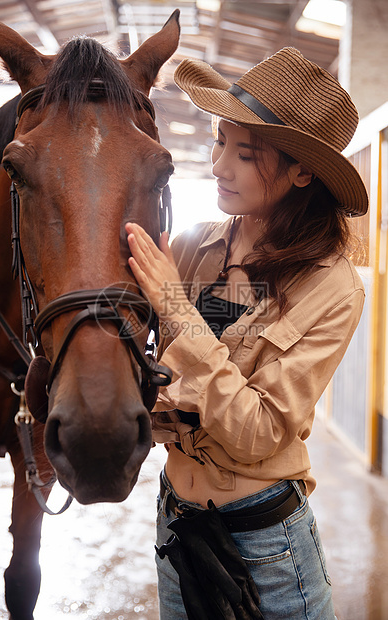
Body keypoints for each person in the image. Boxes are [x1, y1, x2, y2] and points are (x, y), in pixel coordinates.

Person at [125, 46, 368, 619]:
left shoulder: (330, 286)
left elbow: (258, 430)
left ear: (302, 170)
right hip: (177, 524)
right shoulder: (187, 248)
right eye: (219, 143)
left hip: (267, 547)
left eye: (246, 153)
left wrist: (175, 307)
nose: (218, 166)